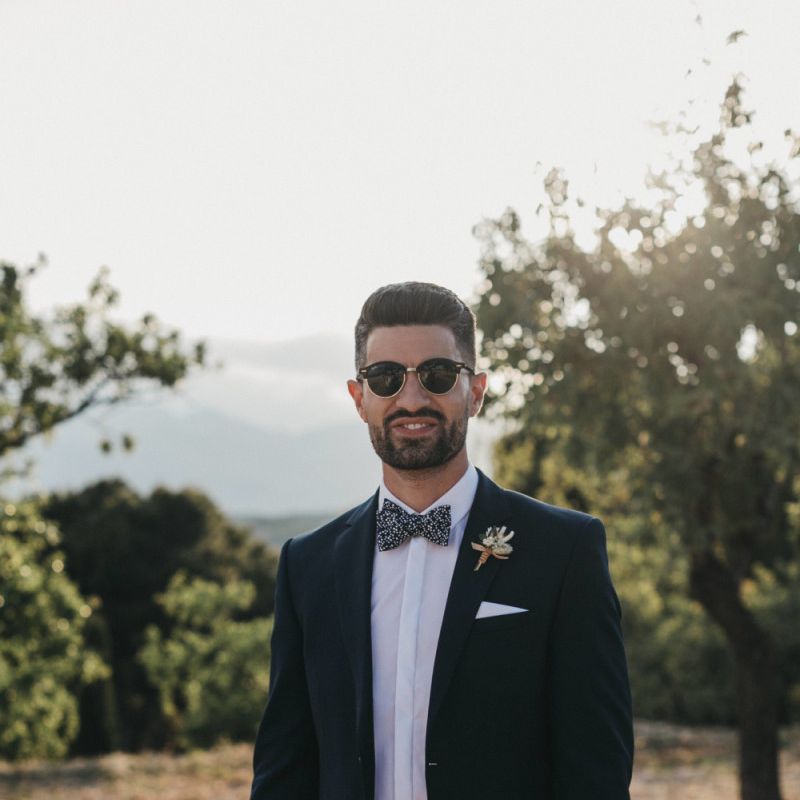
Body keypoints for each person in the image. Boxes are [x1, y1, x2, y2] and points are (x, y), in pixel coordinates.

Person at [250, 281, 634, 800]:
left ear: (474, 391)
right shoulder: (307, 565)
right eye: (386, 378)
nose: (411, 398)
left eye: (437, 374)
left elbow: (597, 774)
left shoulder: (564, 551)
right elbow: (284, 770)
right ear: (359, 398)